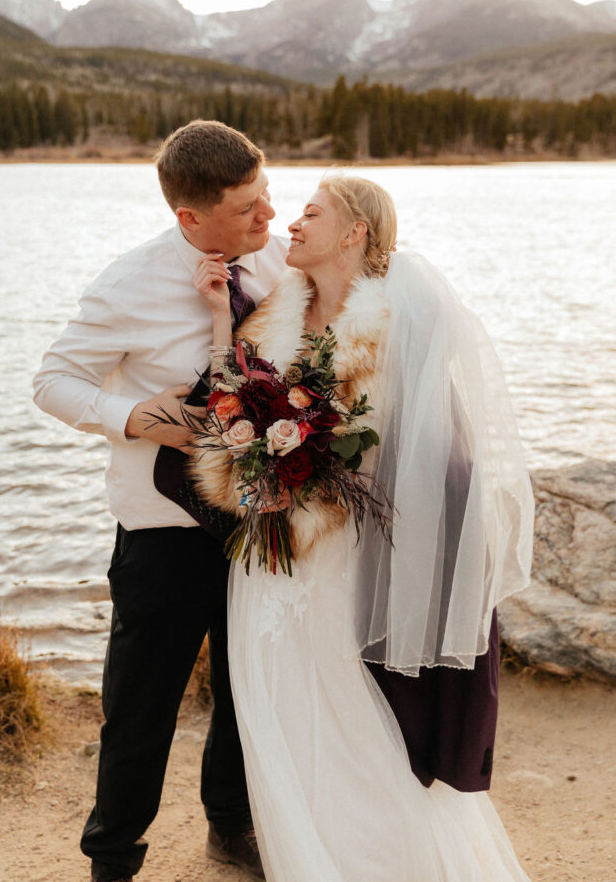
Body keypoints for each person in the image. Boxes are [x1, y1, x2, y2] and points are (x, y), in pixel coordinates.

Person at [189, 175, 535, 881]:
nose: (290, 224)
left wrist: (309, 478)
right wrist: (220, 323)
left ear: (354, 233)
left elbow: (420, 449)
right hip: (269, 554)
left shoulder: (397, 321)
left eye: (310, 214)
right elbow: (231, 400)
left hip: (344, 554)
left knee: (349, 719)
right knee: (276, 712)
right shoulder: (275, 310)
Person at [33, 120, 288, 882]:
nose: (267, 219)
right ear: (190, 217)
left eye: (266, 197)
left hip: (259, 521)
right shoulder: (127, 285)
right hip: (165, 530)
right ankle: (113, 860)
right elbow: (53, 382)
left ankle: (229, 825)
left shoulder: (273, 257)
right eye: (248, 208)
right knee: (140, 710)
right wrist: (137, 418)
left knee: (249, 691)